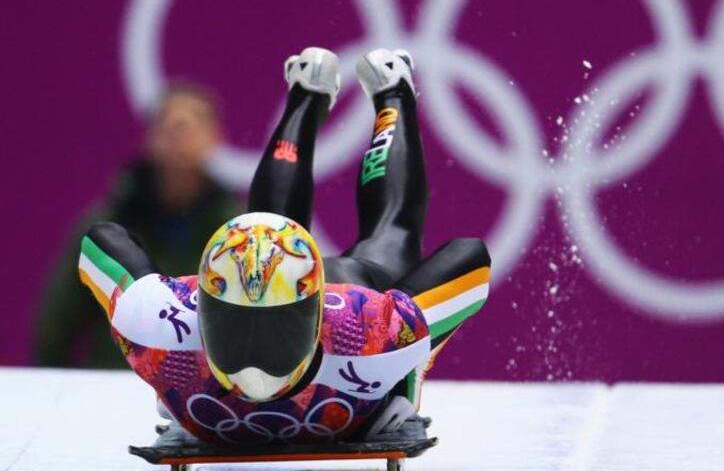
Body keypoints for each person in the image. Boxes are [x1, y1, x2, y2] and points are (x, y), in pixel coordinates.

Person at [77, 47, 490, 443]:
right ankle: (376, 88)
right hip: (355, 335)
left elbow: (101, 242)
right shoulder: (380, 343)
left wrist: (413, 357)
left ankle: (368, 92)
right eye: (235, 327)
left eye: (277, 329)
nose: (254, 363)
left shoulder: (371, 332)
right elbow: (470, 259)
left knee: (379, 231)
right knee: (390, 230)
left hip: (354, 287)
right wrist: (415, 354)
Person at [36, 84, 239, 368]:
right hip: (115, 385)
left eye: (196, 118)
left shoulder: (237, 234)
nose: (180, 128)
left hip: (204, 396)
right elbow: (58, 321)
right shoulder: (105, 226)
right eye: (168, 121)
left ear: (216, 138)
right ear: (150, 138)